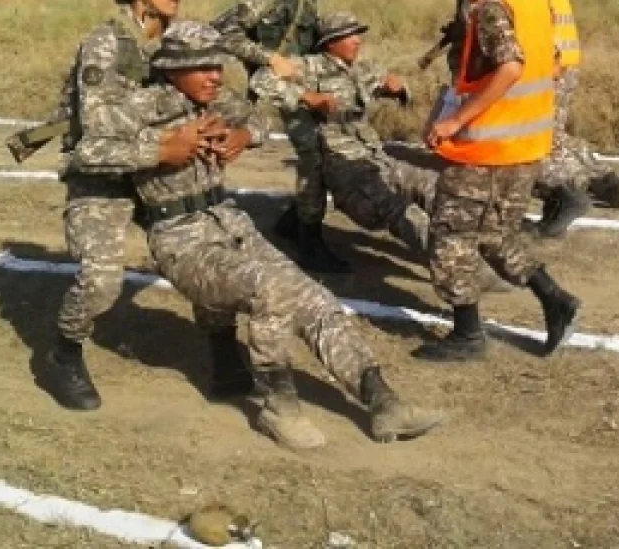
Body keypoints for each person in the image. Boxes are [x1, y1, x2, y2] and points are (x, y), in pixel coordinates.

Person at [106, 22, 446, 451]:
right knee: (270, 291)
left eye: (218, 65)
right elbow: (90, 151)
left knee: (315, 298)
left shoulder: (214, 97)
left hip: (230, 225)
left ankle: (383, 402)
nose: (216, 75)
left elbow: (260, 120)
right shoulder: (136, 107)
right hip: (180, 242)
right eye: (203, 67)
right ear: (172, 69)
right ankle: (278, 406)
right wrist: (160, 148)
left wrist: (241, 136)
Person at [250, 12, 515, 294]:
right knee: (401, 210)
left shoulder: (363, 69)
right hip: (344, 166)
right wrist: (306, 97)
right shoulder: (309, 67)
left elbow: (394, 86)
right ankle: (461, 269)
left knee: (436, 188)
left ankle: (480, 249)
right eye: (350, 36)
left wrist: (398, 90)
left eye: (358, 34)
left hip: (375, 156)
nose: (357, 41)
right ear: (330, 42)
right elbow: (261, 80)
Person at [417, 0, 580, 362]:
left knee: (449, 234)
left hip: (487, 150)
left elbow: (510, 67)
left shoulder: (491, 6)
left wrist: (454, 122)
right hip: (525, 147)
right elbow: (546, 66)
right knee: (493, 235)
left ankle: (467, 336)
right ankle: (555, 299)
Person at [45, 0, 197, 411]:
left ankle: (223, 347)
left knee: (209, 255)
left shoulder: (178, 39)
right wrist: (160, 142)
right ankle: (64, 351)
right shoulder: (105, 45)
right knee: (102, 281)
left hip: (157, 169)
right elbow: (93, 138)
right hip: (103, 174)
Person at [212, 0, 349, 273]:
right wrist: (269, 58)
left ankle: (294, 221)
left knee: (324, 148)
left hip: (301, 74)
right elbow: (226, 32)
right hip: (278, 81)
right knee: (314, 156)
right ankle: (309, 242)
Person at [480, 0, 619, 236]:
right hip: (561, 62)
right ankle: (604, 181)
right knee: (555, 135)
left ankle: (565, 198)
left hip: (551, 66)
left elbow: (531, 20)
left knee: (540, 140)